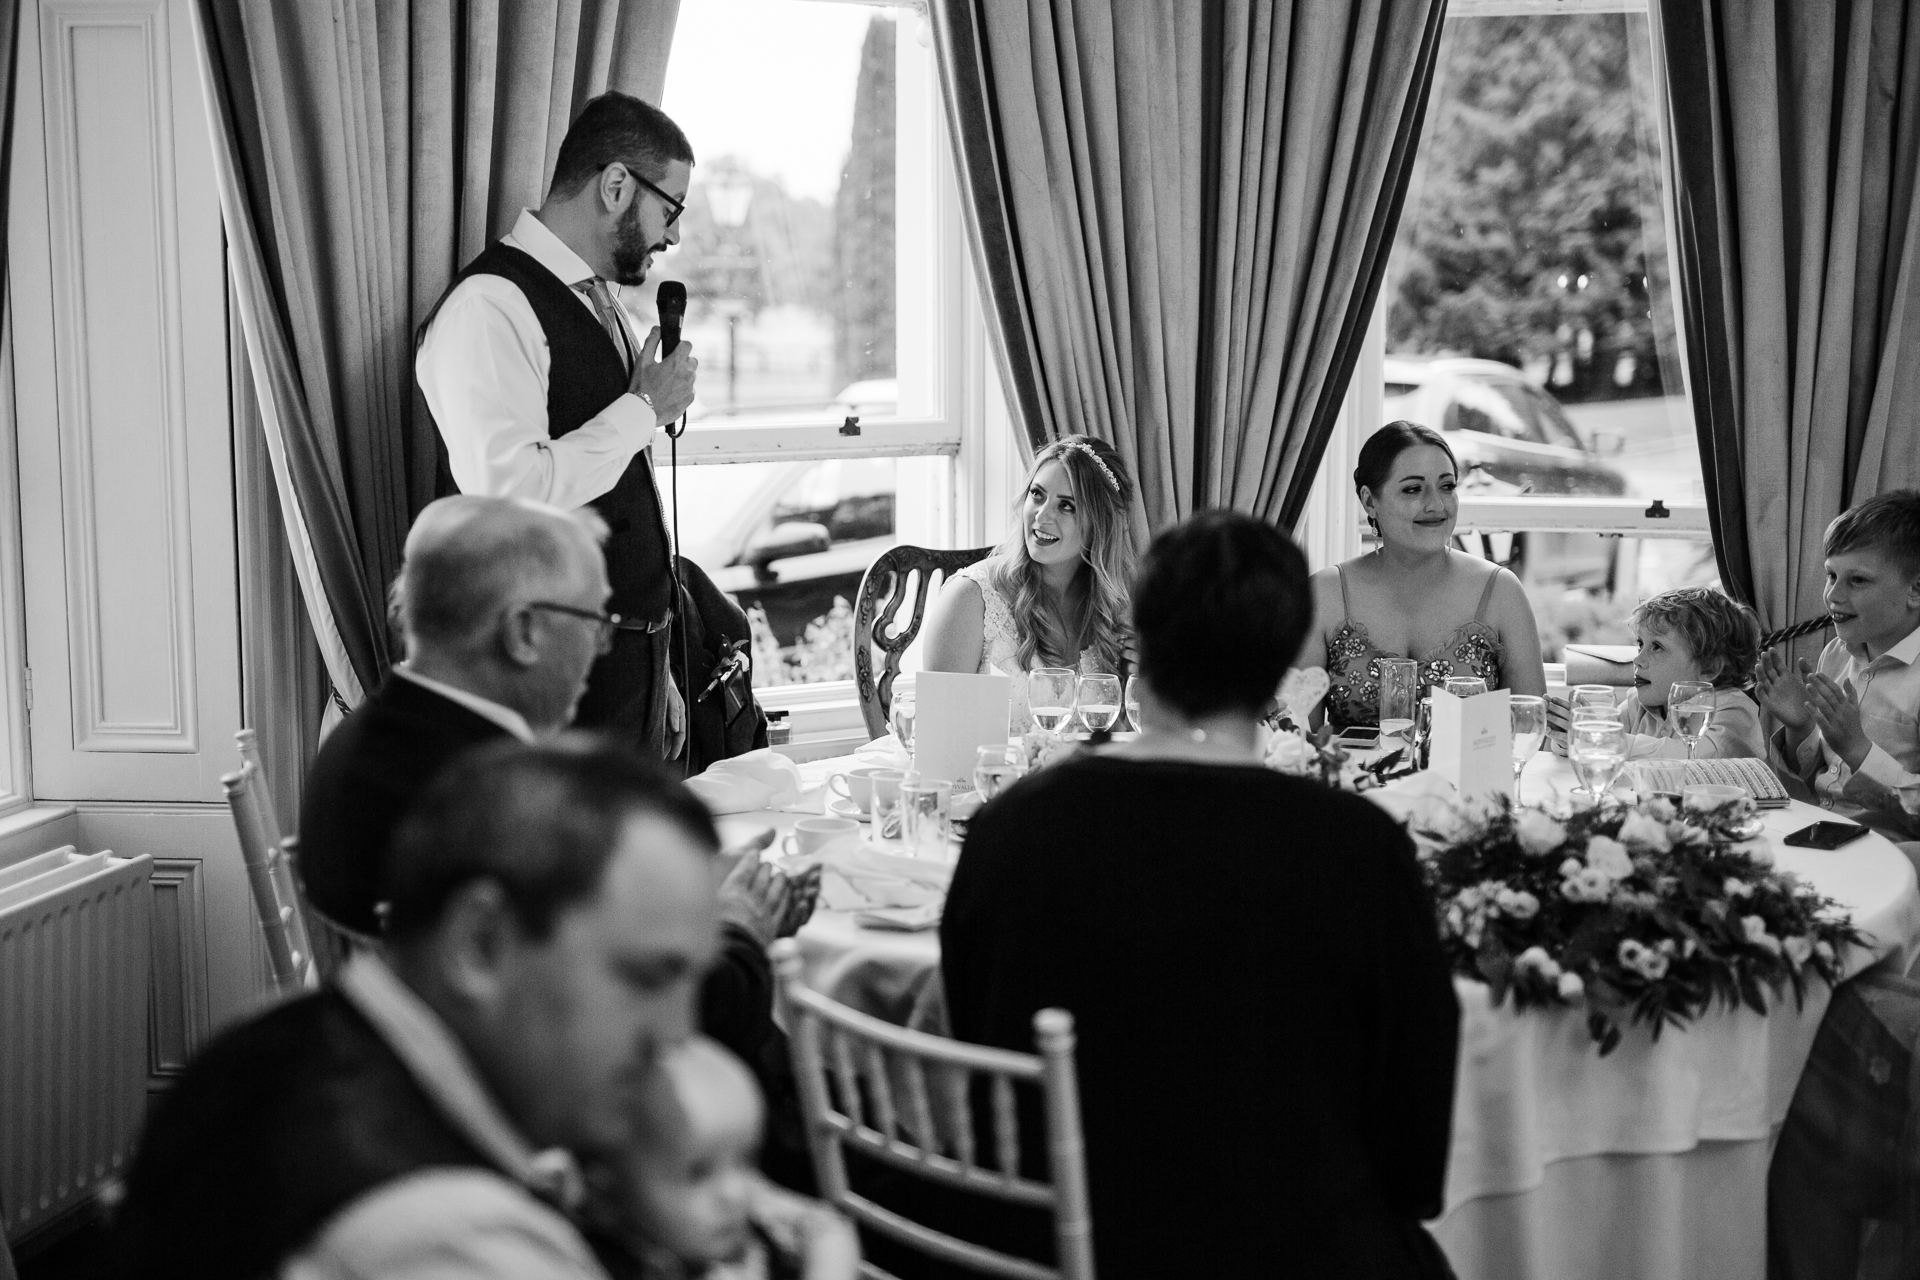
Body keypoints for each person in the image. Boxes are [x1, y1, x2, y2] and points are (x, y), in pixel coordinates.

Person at [941, 511, 1460, 1279]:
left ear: (1141, 638)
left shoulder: (1009, 830)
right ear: (1288, 660)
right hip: (1292, 1251)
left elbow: (980, 1063)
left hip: (1045, 1248)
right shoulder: (1358, 847)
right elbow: (1414, 1153)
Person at [299, 495, 816, 1188]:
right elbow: (648, 1042)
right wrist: (742, 931)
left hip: (388, 1106)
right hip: (543, 1153)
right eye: (596, 620)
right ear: (524, 632)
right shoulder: (511, 803)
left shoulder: (355, 745)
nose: (606, 645)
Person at [110, 739, 721, 1280]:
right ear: (479, 944)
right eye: (646, 977)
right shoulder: (448, 1235)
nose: (679, 1033)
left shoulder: (266, 1046)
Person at [417, 91, 699, 763]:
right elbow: (509, 490)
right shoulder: (490, 308)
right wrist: (642, 412)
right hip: (549, 686)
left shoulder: (605, 306)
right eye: (672, 208)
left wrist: (657, 666)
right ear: (615, 186)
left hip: (631, 668)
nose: (674, 235)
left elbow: (614, 490)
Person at [1315, 421, 1546, 729]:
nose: (1436, 505)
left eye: (1447, 486)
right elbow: (1295, 740)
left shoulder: (1500, 591)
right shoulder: (1324, 595)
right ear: (1370, 501)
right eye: (1413, 489)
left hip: (1470, 779)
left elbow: (1530, 730)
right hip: (1348, 778)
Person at [591, 1036, 858, 1279]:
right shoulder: (593, 1259)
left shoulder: (751, 1202)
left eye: (746, 1161)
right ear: (609, 1183)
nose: (734, 1192)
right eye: (698, 1173)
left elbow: (828, 1230)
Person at [921, 435, 1136, 733]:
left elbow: (1129, 743)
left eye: (1067, 506)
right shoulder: (969, 600)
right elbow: (939, 742)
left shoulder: (1121, 608)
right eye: (1037, 494)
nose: (1042, 515)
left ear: (1100, 524)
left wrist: (1141, 684)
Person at [1759, 490, 1920, 841]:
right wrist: (1800, 728)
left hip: (1891, 855)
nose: (1834, 595)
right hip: (1816, 831)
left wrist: (1859, 751)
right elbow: (1818, 783)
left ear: (1916, 590)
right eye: (1831, 575)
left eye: (1858, 580)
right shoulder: (1835, 653)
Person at [1548, 587, 1766, 760]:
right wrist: (1569, 736)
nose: (1638, 660)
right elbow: (1598, 747)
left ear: (1709, 667)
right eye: (1640, 644)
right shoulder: (1639, 704)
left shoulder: (1733, 709)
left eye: (1657, 647)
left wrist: (1604, 739)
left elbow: (1703, 757)